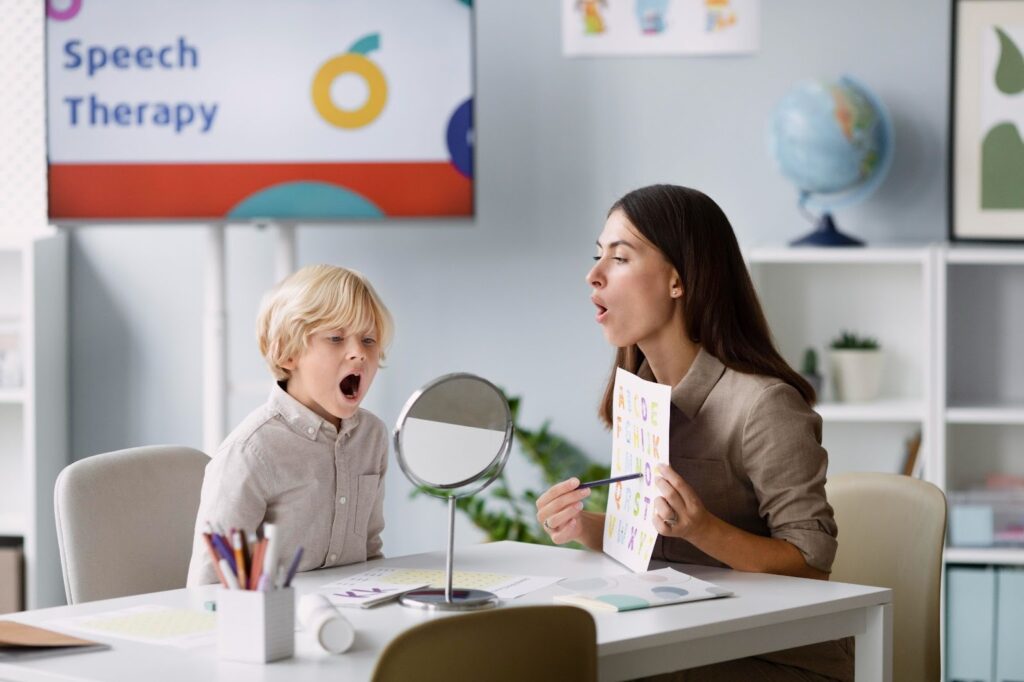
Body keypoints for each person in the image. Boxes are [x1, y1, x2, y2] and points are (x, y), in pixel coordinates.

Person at [535, 185, 852, 681]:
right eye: (598, 256)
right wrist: (585, 527)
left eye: (619, 258)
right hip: (678, 635)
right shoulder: (639, 395)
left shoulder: (764, 406)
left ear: (677, 281)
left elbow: (812, 566)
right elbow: (656, 544)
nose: (593, 275)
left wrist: (703, 528)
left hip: (773, 656)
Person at [187, 264, 394, 587]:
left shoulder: (373, 437)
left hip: (347, 621)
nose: (358, 354)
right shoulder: (250, 452)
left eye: (368, 340)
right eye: (336, 338)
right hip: (270, 625)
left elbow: (369, 551)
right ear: (286, 353)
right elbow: (209, 585)